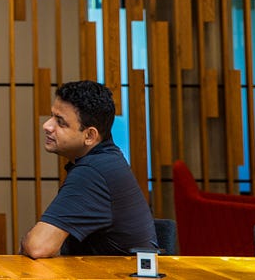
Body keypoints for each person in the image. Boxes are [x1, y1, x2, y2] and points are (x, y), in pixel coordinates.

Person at [20, 80, 157, 258]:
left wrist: (25, 240)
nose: (47, 125)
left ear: (90, 136)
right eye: (52, 116)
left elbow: (38, 247)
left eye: (60, 122)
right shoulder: (107, 159)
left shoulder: (93, 172)